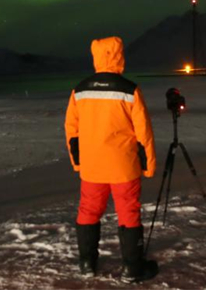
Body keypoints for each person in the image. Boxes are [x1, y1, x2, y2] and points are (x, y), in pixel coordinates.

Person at [64, 36, 159, 282]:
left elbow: (71, 131)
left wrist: (78, 162)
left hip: (93, 166)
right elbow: (143, 132)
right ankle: (132, 268)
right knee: (128, 212)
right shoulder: (129, 90)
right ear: (119, 55)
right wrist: (147, 165)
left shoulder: (80, 90)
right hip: (123, 166)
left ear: (95, 56)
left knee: (88, 210)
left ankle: (87, 263)